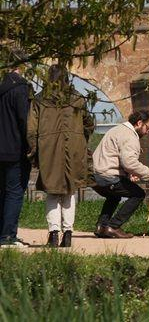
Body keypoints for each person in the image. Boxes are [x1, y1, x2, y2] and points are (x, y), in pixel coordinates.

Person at [26, 65, 94, 247]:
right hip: (74, 147)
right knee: (70, 192)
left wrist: (34, 153)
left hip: (48, 148)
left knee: (52, 192)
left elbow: (31, 130)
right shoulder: (78, 99)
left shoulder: (39, 100)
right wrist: (80, 140)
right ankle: (69, 233)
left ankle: (54, 233)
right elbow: (89, 123)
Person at [91, 109, 149, 238]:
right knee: (138, 194)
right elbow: (130, 163)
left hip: (95, 176)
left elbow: (114, 157)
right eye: (147, 128)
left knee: (114, 196)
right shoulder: (129, 135)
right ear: (139, 123)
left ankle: (101, 227)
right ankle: (113, 226)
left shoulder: (117, 130)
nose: (147, 132)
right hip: (107, 176)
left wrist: (127, 174)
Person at [0, 51, 32, 248]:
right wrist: (30, 146)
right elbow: (24, 121)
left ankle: (2, 234)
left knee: (2, 192)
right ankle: (8, 236)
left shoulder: (1, 89)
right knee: (14, 192)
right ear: (21, 67)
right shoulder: (20, 89)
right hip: (14, 149)